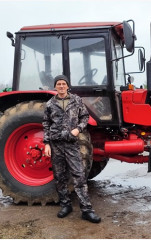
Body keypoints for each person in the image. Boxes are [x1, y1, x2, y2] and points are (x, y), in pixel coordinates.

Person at [42, 74, 101, 223]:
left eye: (63, 84)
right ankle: (65, 205)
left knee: (79, 176)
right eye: (58, 84)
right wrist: (47, 144)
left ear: (68, 86)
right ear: (55, 86)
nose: (61, 86)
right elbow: (46, 124)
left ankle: (87, 210)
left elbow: (85, 117)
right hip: (56, 145)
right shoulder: (50, 104)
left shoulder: (76, 100)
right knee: (60, 177)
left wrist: (78, 129)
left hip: (71, 143)